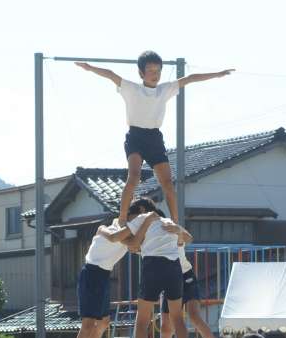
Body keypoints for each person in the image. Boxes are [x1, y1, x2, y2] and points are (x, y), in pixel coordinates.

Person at [75, 51, 234, 224]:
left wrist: (217, 74)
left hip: (154, 138)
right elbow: (111, 75)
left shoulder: (164, 90)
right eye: (150, 70)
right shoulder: (132, 89)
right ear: (141, 73)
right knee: (134, 176)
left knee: (167, 183)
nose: (155, 74)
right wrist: (89, 68)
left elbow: (190, 78)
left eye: (158, 71)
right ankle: (121, 219)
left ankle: (175, 222)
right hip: (135, 136)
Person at [99, 197, 190, 338]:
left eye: (130, 218)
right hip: (174, 267)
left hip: (153, 266)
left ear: (141, 210)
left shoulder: (143, 218)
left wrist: (102, 229)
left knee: (142, 320)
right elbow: (188, 237)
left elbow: (120, 239)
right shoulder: (168, 221)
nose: (130, 222)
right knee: (177, 318)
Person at [75, 207, 156, 338]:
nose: (139, 221)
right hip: (91, 273)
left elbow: (135, 245)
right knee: (88, 324)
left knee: (104, 322)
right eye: (137, 218)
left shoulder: (125, 233)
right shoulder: (113, 228)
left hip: (103, 275)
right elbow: (121, 239)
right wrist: (144, 221)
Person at [148, 239, 215, 338]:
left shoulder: (172, 233)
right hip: (167, 281)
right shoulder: (150, 239)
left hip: (185, 276)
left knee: (194, 316)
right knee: (166, 329)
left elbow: (185, 237)